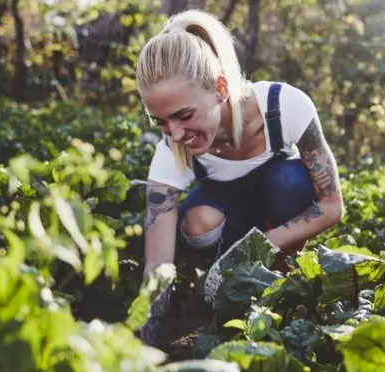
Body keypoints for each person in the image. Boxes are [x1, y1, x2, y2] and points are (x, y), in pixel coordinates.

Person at [135, 9, 344, 347]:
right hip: (229, 213)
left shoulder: (284, 107)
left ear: (220, 89)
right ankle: (225, 301)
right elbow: (157, 266)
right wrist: (138, 345)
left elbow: (332, 206)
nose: (174, 133)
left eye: (184, 115)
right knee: (199, 223)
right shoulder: (170, 152)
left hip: (279, 211)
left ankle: (280, 280)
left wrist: (253, 249)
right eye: (160, 121)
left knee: (290, 181)